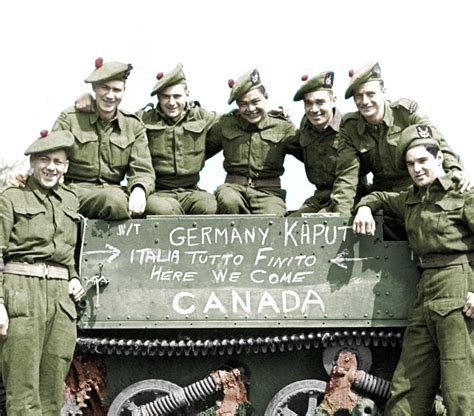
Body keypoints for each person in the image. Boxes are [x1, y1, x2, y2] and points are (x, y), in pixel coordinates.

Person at [352, 124, 474, 415]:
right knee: (407, 385)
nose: (417, 169)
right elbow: (379, 197)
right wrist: (365, 208)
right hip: (425, 291)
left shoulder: (463, 196)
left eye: (423, 161)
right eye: (410, 164)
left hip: (458, 286)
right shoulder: (410, 199)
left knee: (460, 387)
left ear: (439, 159)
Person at [0, 130, 85, 415]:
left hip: (61, 301)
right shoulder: (11, 197)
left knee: (52, 393)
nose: (51, 167)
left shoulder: (71, 201)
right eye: (44, 160)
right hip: (22, 293)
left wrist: (74, 277)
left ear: (66, 167)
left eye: (58, 162)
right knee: (22, 392)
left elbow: (68, 251)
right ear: (33, 163)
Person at [330, 62, 467, 225]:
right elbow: (347, 176)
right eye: (358, 96)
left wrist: (455, 170)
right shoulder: (350, 127)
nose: (365, 101)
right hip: (382, 198)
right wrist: (340, 222)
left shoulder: (405, 113)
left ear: (383, 91)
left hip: (416, 191)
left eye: (370, 94)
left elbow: (437, 143)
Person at [75, 63, 218, 215]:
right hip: (157, 191)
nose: (171, 103)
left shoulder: (203, 119)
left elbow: (232, 122)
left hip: (191, 190)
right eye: (165, 97)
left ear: (187, 94)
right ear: (158, 97)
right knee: (164, 211)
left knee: (209, 206)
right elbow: (116, 120)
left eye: (177, 96)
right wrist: (89, 99)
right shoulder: (143, 120)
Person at [52, 57, 155, 219]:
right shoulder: (71, 119)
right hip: (76, 191)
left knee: (159, 208)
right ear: (94, 88)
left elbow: (142, 169)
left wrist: (139, 189)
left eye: (116, 90)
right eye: (104, 88)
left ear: (124, 91)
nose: (110, 95)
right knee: (114, 200)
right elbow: (51, 157)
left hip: (117, 191)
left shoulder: (133, 125)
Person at [206, 69, 298, 215]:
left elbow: (310, 153)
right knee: (228, 201)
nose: (250, 109)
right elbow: (198, 152)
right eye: (243, 104)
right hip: (233, 189)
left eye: (256, 102)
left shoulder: (283, 127)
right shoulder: (226, 124)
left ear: (266, 97)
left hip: (269, 193)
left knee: (274, 219)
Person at [288, 70, 366, 216]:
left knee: (319, 225)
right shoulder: (306, 126)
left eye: (320, 102)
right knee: (290, 226)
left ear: (333, 100)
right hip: (320, 196)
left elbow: (348, 180)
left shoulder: (349, 129)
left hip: (351, 195)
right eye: (308, 103)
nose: (314, 110)